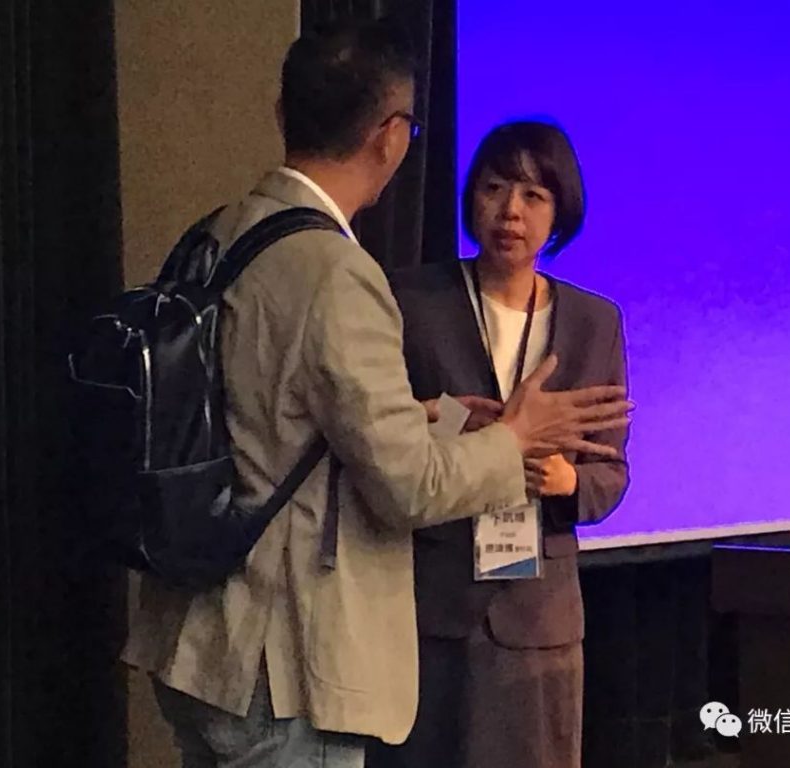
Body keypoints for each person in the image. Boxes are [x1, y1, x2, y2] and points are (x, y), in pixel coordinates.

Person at [121, 21, 631, 768]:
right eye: (496, 187)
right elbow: (408, 486)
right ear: (391, 137)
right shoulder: (342, 274)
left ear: (282, 111)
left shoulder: (223, 230)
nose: (512, 209)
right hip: (282, 658)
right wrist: (514, 439)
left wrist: (420, 416)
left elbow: (271, 406)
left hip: (197, 637)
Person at [368, 120, 630, 768]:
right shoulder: (412, 301)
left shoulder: (594, 321)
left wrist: (570, 483)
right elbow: (381, 432)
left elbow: (611, 474)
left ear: (559, 211)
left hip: (539, 619)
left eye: (534, 196)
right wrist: (465, 432)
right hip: (432, 606)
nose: (511, 211)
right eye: (494, 189)